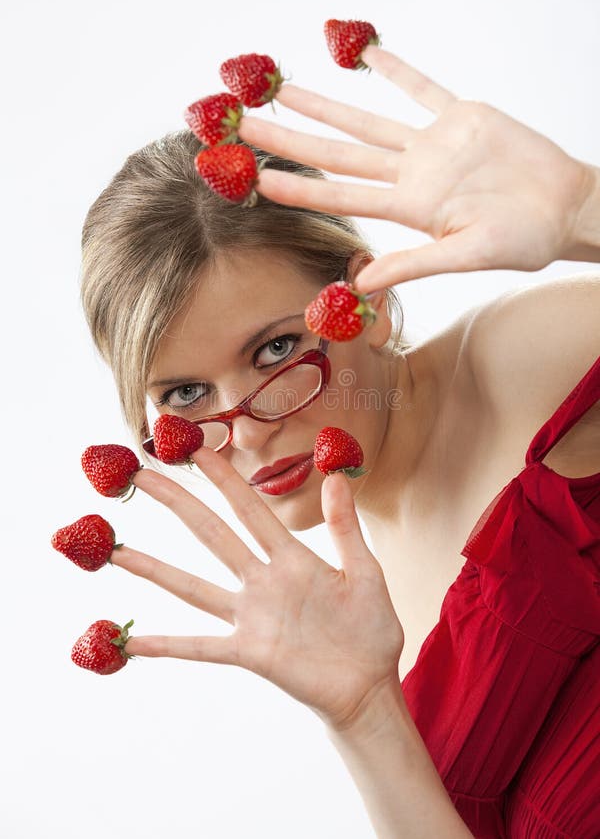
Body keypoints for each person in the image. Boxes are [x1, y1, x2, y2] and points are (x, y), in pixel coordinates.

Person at [79, 43, 600, 838]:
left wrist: (585, 211)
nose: (248, 428)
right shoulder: (345, 608)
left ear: (370, 303)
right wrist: (362, 715)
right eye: (185, 394)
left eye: (278, 349)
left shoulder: (525, 366)